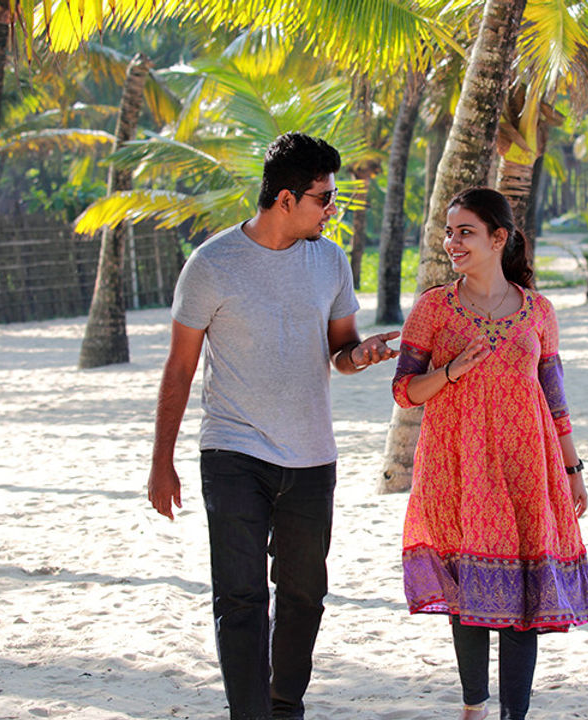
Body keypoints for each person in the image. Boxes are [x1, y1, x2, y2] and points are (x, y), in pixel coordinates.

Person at [147, 131, 398, 720]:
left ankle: (284, 707)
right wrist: (162, 461)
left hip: (312, 456)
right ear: (285, 198)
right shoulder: (212, 264)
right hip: (234, 452)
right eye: (322, 198)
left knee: (305, 595)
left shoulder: (330, 260)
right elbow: (180, 368)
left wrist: (362, 356)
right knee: (240, 597)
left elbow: (340, 349)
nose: (331, 209)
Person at [392, 187, 588, 720]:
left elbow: (555, 398)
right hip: (456, 462)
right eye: (449, 231)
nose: (451, 241)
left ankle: (514, 715)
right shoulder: (435, 308)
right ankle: (473, 707)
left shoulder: (538, 312)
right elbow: (404, 390)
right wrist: (453, 370)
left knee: (526, 592)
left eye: (465, 232)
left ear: (498, 238)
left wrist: (573, 469)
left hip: (527, 463)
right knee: (469, 591)